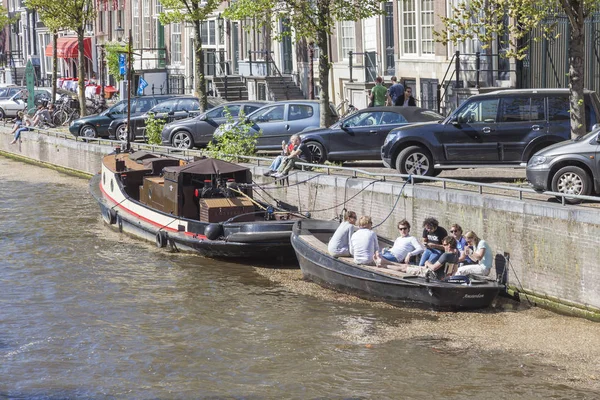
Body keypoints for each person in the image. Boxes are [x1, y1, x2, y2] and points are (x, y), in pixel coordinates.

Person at [374, 236, 459, 280]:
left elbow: (433, 267)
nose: (443, 247)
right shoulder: (456, 255)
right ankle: (384, 261)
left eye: (444, 245)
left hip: (430, 274)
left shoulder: (446, 255)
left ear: (449, 245)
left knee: (405, 268)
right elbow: (454, 270)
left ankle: (383, 265)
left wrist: (427, 263)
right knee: (405, 266)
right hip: (437, 275)